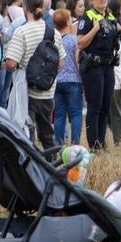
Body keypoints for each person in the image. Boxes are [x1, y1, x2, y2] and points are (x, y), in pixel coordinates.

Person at [4, 0, 64, 149]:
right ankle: (52, 166)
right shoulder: (54, 33)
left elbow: (11, 64)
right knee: (47, 134)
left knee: (26, 133)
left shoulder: (21, 32)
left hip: (26, 91)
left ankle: (30, 169)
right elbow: (61, 63)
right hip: (47, 92)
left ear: (25, 7)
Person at [77, 0, 121, 150]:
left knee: (105, 107)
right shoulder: (87, 17)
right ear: (92, 0)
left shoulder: (110, 17)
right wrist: (95, 29)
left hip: (108, 66)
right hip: (93, 67)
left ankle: (102, 143)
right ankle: (93, 144)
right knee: (94, 107)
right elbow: (80, 43)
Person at [52, 9, 83, 146]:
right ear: (67, 21)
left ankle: (58, 144)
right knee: (76, 113)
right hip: (74, 80)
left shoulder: (53, 40)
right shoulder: (74, 40)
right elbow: (77, 61)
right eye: (70, 17)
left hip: (57, 80)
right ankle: (75, 143)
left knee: (59, 115)